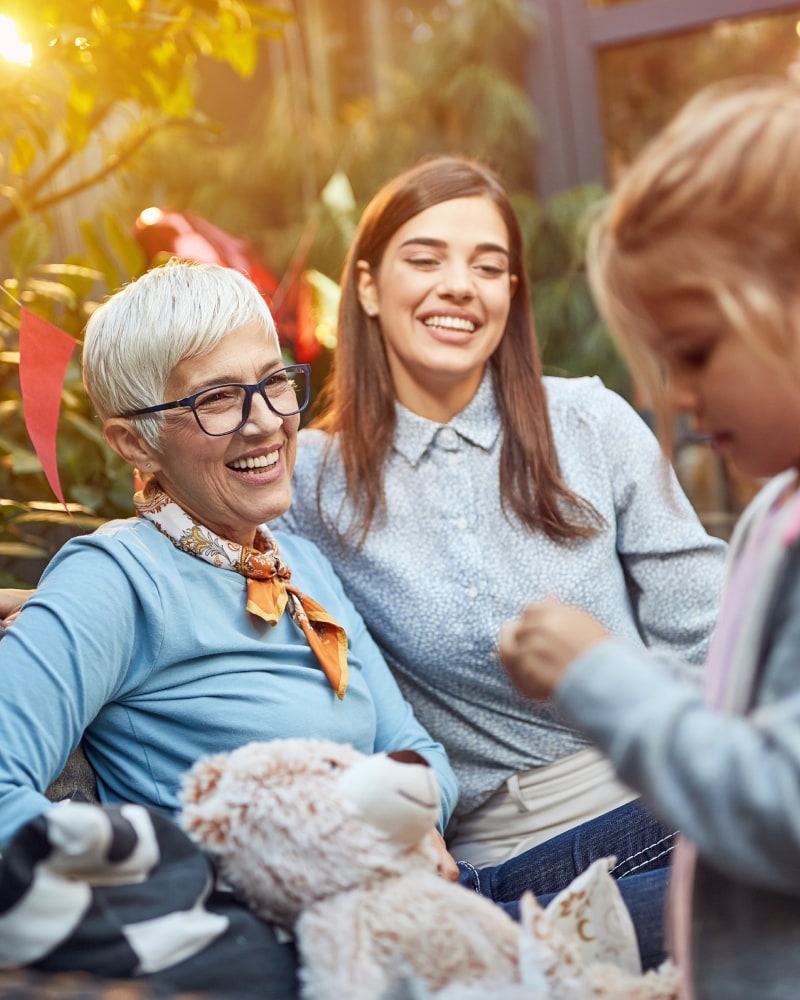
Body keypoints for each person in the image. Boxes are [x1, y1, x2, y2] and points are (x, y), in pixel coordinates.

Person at [0, 259, 670, 980]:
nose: (266, 423)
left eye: (273, 382)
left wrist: (404, 816)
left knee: (743, 816)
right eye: (218, 400)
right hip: (337, 953)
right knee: (750, 887)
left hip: (443, 895)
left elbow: (418, 748)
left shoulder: (299, 566)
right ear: (135, 442)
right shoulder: (113, 580)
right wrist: (207, 886)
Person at [275, 154, 727, 867]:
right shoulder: (309, 480)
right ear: (366, 286)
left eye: (489, 268)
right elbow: (202, 563)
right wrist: (49, 598)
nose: (459, 286)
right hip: (507, 852)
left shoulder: (588, 421)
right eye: (425, 260)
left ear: (511, 294)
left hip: (666, 793)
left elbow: (711, 631)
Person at [498, 75, 800, 999]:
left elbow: (782, 806)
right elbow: (745, 727)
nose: (674, 394)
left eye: (698, 350)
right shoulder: (773, 512)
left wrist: (605, 679)